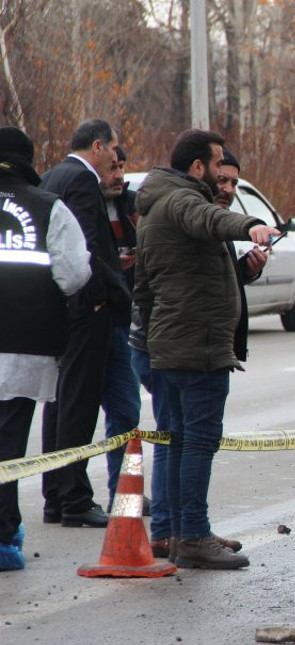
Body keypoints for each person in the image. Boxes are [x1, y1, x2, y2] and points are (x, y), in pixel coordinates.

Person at [133, 129, 277, 569]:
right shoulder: (182, 200)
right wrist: (251, 225)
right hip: (196, 347)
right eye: (218, 167)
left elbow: (148, 286)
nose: (223, 177)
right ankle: (192, 535)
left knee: (178, 440)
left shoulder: (160, 203)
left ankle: (178, 532)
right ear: (198, 167)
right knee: (197, 441)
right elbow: (212, 219)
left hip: (174, 344)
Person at [0, 126, 92, 571]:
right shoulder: (47, 207)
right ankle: (2, 536)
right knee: (7, 444)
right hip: (24, 345)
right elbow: (75, 274)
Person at [39, 118, 132, 528]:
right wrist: (107, 296)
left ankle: (55, 495)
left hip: (61, 307)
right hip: (85, 308)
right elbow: (84, 249)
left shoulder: (52, 176)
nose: (115, 156)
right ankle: (74, 498)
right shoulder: (80, 180)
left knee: (60, 403)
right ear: (97, 146)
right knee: (78, 404)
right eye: (112, 148)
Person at [97, 143, 144, 511]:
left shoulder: (132, 206)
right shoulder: (87, 204)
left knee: (126, 411)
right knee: (72, 415)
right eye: (111, 168)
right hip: (91, 322)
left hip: (125, 321)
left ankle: (124, 494)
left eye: (121, 168)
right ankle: (66, 496)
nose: (118, 176)